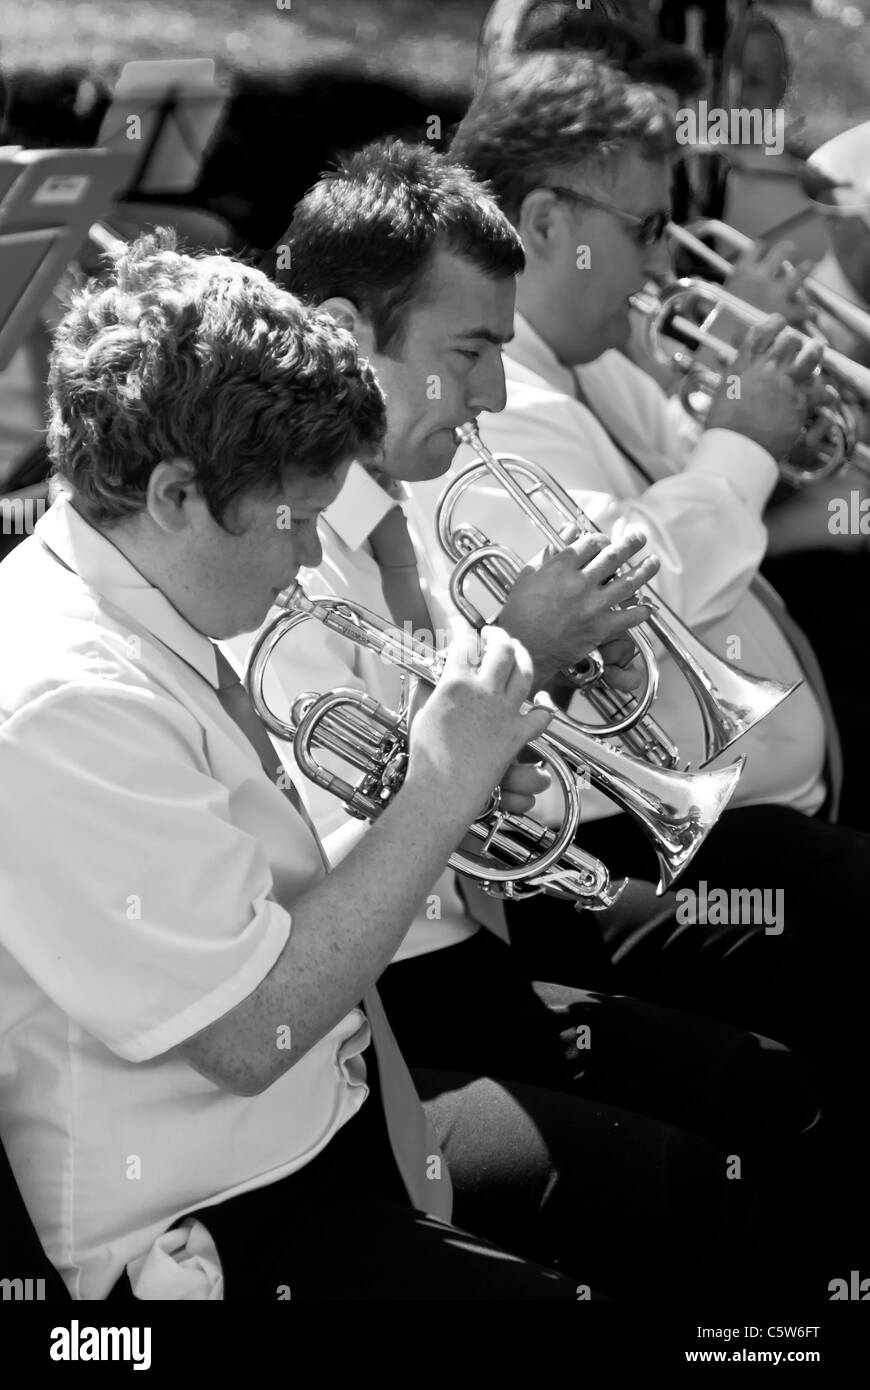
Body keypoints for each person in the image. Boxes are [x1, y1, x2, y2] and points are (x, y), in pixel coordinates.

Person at [0, 228, 795, 1303]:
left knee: (710, 1189)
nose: (300, 560)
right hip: (226, 1218)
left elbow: (253, 913)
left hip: (341, 1113)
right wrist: (436, 785)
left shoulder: (149, 600)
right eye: (293, 525)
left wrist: (444, 798)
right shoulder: (66, 698)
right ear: (178, 495)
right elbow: (246, 1032)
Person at [237, 140, 833, 1293]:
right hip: (378, 1011)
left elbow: (501, 790)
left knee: (771, 1091)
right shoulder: (273, 552)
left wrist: (537, 690)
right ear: (345, 333)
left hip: (475, 947)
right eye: (467, 354)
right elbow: (323, 864)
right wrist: (511, 670)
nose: (495, 397)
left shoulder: (413, 507)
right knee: (701, 1183)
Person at [407, 53, 870, 1052]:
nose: (666, 264)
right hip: (624, 856)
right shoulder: (500, 408)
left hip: (732, 819)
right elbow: (622, 581)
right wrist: (744, 434)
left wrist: (760, 421)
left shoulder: (590, 366)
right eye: (648, 229)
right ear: (544, 225)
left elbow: (721, 502)